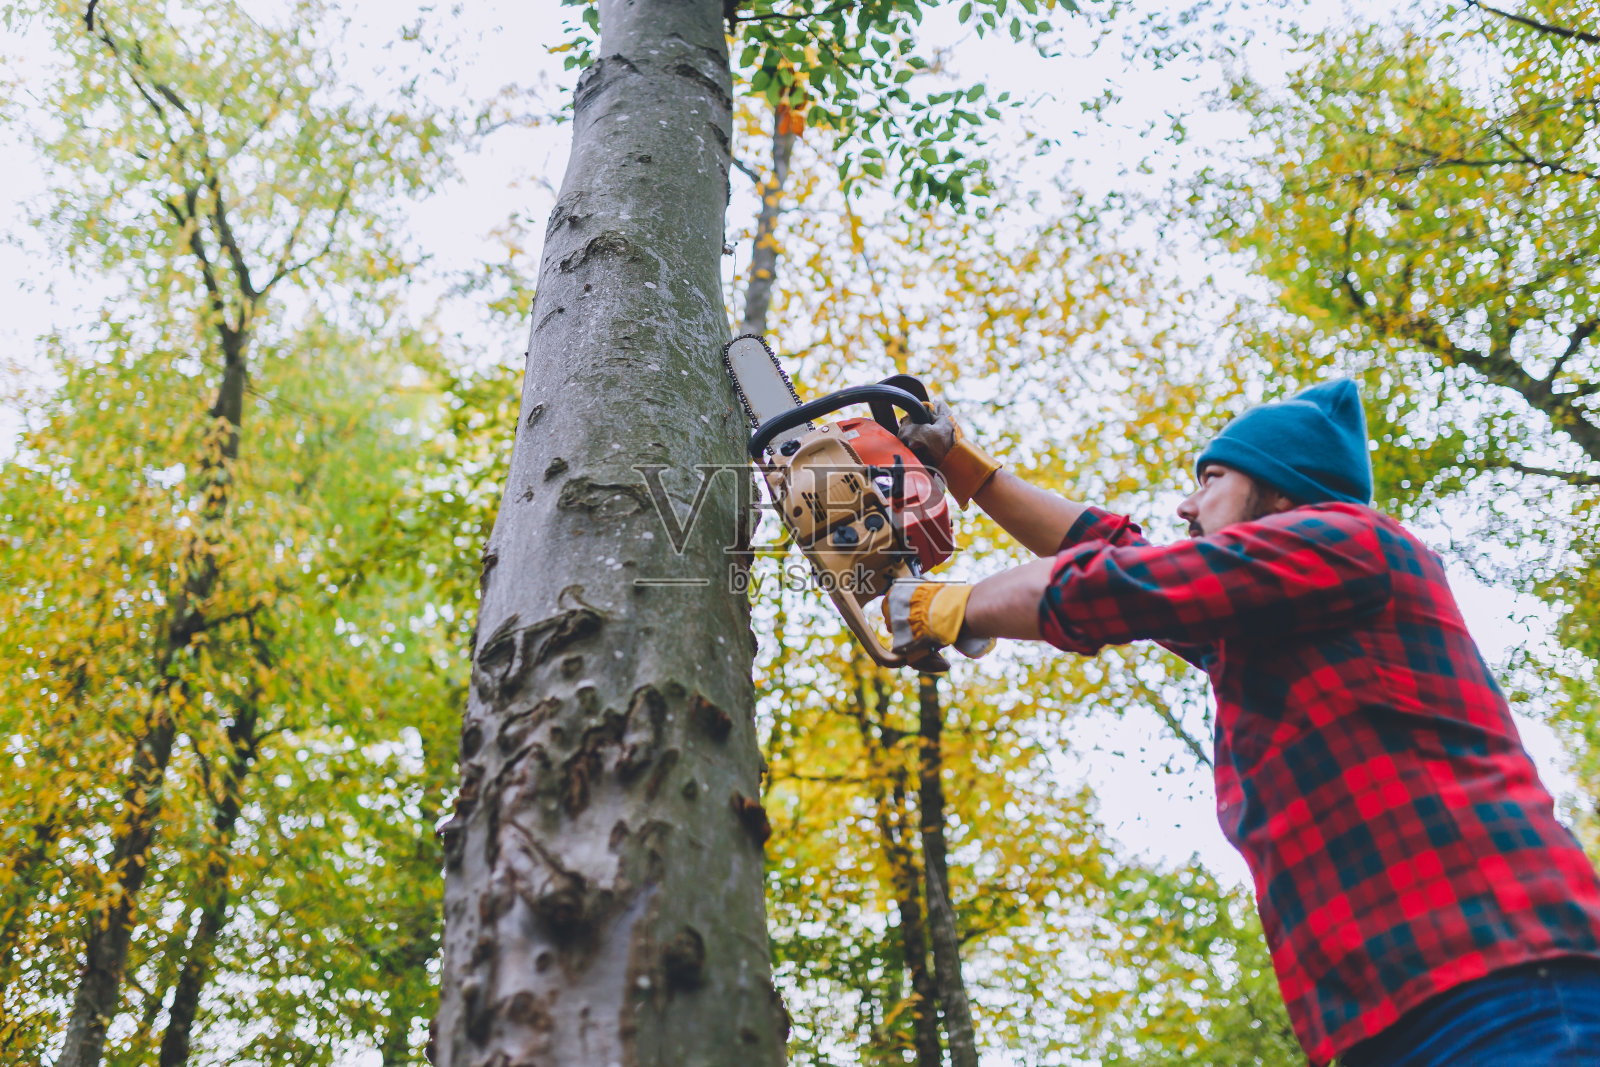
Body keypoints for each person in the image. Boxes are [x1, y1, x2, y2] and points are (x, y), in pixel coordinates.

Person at [887, 380, 1600, 1066]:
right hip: (1392, 1019)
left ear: (1281, 490)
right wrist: (964, 466)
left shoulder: (1348, 541)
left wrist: (941, 606)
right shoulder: (1276, 621)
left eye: (1212, 479)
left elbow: (1114, 585)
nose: (1185, 505)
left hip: (1510, 983)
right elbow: (1116, 550)